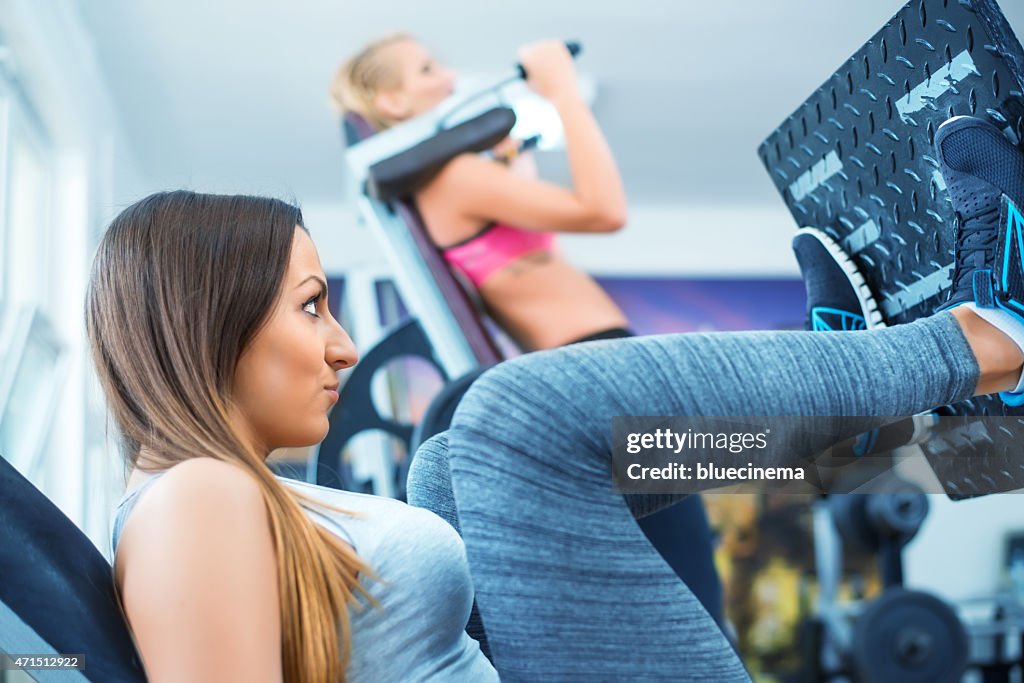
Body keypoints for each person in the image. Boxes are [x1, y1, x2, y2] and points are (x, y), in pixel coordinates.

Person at [97, 114, 1024, 681]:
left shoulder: (220, 494)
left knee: (456, 444)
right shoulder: (192, 500)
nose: (341, 344)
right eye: (311, 307)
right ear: (209, 326)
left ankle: (867, 428)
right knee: (514, 423)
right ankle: (990, 337)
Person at [330, 35, 725, 625]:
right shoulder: (454, 176)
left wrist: (513, 160)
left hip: (594, 371)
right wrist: (564, 92)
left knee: (691, 552)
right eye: (427, 69)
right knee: (701, 564)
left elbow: (525, 253)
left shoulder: (449, 179)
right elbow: (605, 210)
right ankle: (893, 448)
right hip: (599, 372)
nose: (449, 78)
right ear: (390, 100)